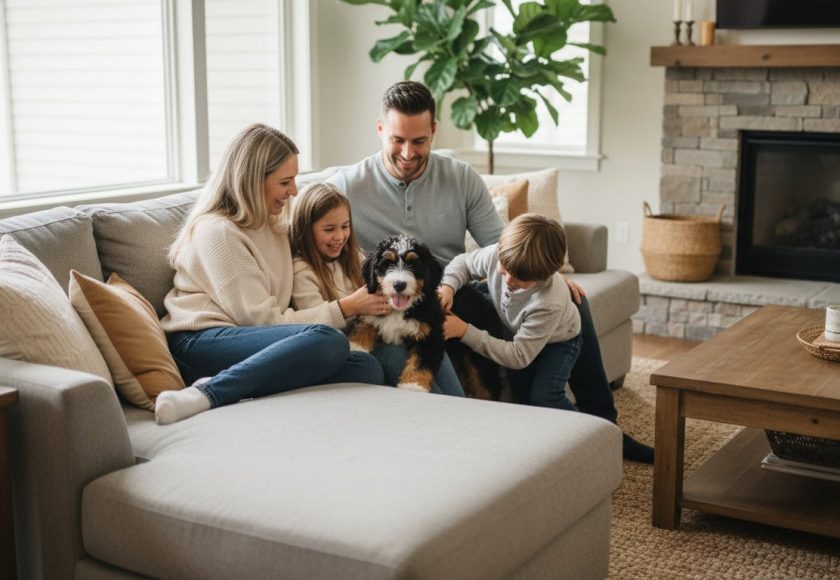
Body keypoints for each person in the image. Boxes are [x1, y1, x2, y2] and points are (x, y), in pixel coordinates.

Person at [328, 80, 653, 463]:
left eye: (419, 141)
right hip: (397, 301)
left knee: (573, 303)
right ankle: (528, 420)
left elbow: (502, 246)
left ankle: (606, 428)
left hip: (458, 291)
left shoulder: (461, 176)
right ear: (380, 129)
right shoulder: (346, 186)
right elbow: (312, 236)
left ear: (434, 130)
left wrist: (547, 276)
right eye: (398, 140)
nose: (407, 152)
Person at [156, 124, 384, 425]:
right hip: (202, 342)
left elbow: (328, 246)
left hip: (252, 340)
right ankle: (209, 392)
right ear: (252, 181)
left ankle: (251, 386)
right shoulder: (218, 232)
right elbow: (261, 321)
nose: (293, 192)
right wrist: (347, 307)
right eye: (285, 182)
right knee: (328, 340)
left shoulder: (274, 223)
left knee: (366, 368)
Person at [288, 181, 465, 396]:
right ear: (305, 229)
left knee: (434, 350)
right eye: (329, 229)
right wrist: (351, 307)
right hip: (346, 346)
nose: (339, 236)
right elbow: (317, 331)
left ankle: (457, 406)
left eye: (345, 226)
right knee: (394, 356)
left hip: (389, 330)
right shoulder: (302, 270)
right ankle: (434, 411)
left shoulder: (353, 256)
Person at [440, 214, 585, 413]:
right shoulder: (497, 254)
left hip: (559, 341)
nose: (508, 280)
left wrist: (465, 331)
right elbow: (463, 262)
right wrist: (448, 286)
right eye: (504, 269)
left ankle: (585, 431)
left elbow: (518, 357)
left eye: (520, 278)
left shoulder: (548, 302)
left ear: (544, 276)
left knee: (544, 397)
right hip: (520, 331)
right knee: (521, 395)